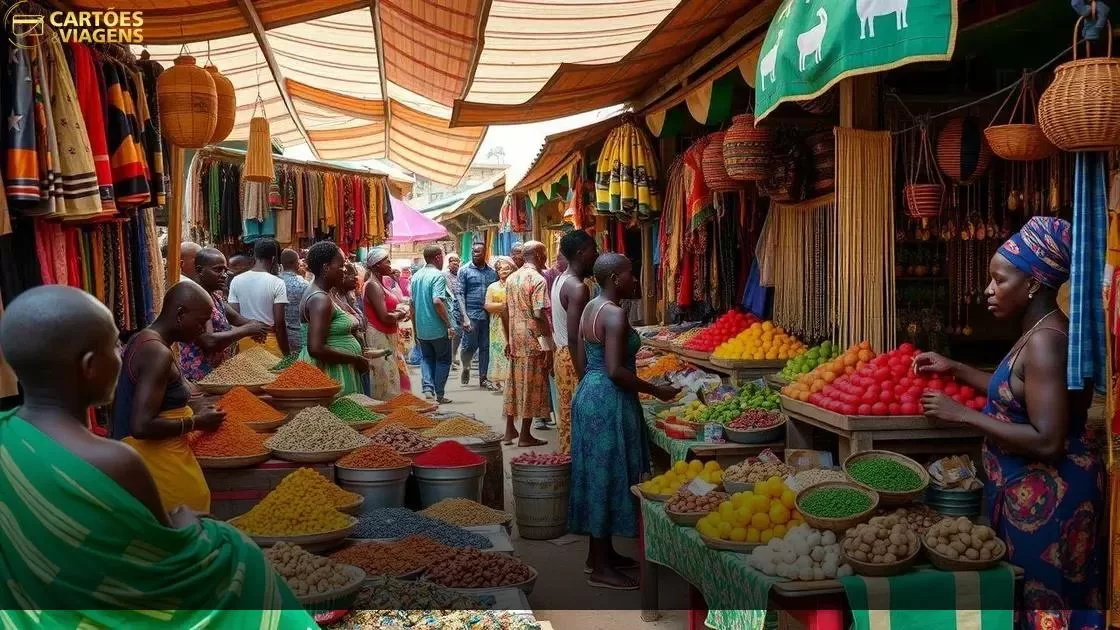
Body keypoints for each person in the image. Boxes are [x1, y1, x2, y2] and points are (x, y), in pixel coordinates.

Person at [0, 285, 313, 626]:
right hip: (98, 611)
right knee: (241, 554)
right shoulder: (116, 461)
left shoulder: (8, 438)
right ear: (89, 366)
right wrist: (191, 524)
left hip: (34, 610)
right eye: (115, 346)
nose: (122, 355)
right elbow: (165, 555)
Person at [917, 217, 1102, 629]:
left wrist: (963, 414)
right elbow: (1015, 394)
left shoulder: (1045, 342)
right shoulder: (1038, 330)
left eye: (999, 280)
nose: (989, 289)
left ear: (1033, 283)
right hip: (1033, 501)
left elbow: (1048, 440)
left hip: (1051, 506)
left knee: (1046, 610)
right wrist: (956, 368)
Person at [569, 253, 679, 590]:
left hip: (590, 392)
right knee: (607, 475)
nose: (636, 279)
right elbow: (616, 370)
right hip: (609, 399)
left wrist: (594, 384)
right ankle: (602, 569)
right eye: (632, 273)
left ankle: (598, 555)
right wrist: (656, 390)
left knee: (596, 473)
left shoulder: (592, 307)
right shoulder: (614, 314)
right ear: (615, 278)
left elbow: (583, 356)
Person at [112, 282, 226, 513]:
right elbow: (141, 426)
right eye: (200, 321)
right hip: (153, 462)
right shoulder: (156, 352)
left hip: (155, 456)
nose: (203, 329)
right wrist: (197, 422)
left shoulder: (145, 338)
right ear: (180, 314)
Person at [178, 248, 270, 381]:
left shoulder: (214, 296)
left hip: (217, 375)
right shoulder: (195, 298)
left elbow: (237, 319)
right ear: (199, 270)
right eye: (217, 270)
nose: (224, 275)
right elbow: (208, 341)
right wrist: (247, 330)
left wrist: (259, 328)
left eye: (225, 270)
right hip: (202, 378)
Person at [299, 241, 369, 396]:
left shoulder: (325, 294)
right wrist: (356, 359)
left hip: (336, 369)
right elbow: (316, 348)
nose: (344, 270)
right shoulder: (320, 299)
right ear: (326, 267)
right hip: (331, 373)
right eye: (341, 265)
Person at [501, 241, 552, 447]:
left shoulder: (512, 278)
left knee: (514, 383)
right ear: (539, 255)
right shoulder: (538, 279)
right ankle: (524, 435)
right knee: (532, 386)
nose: (545, 258)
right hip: (533, 340)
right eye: (544, 254)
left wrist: (508, 338)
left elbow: (504, 310)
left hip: (515, 338)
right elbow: (539, 313)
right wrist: (548, 342)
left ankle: (509, 430)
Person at [552, 230, 598, 454]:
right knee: (578, 421)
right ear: (580, 253)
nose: (596, 255)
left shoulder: (561, 279)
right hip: (573, 358)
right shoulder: (578, 288)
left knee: (568, 419)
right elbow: (574, 337)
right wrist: (584, 376)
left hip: (563, 355)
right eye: (593, 250)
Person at [229, 238, 290, 356]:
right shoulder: (277, 283)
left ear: (254, 256)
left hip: (245, 340)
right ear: (274, 259)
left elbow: (234, 317)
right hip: (269, 341)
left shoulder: (236, 280)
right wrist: (287, 354)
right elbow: (279, 323)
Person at [410, 245, 456, 404]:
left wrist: (415, 329)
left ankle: (428, 388)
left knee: (427, 358)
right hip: (437, 328)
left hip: (422, 328)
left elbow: (411, 306)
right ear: (437, 257)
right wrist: (449, 324)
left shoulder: (416, 276)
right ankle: (440, 394)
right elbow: (437, 301)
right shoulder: (438, 276)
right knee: (443, 360)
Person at [364, 247, 410, 399]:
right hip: (378, 335)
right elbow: (384, 317)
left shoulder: (381, 283)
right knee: (383, 376)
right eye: (387, 262)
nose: (390, 265)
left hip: (388, 334)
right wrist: (401, 314)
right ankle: (383, 408)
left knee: (390, 375)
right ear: (377, 264)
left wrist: (398, 313)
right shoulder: (372, 285)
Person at [458, 242, 499, 390]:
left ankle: (483, 378)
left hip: (487, 316)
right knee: (469, 346)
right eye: (473, 252)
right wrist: (464, 317)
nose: (475, 254)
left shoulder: (492, 272)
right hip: (471, 315)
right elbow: (459, 294)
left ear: (484, 253)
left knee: (485, 347)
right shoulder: (464, 271)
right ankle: (466, 366)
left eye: (478, 252)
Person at [485, 257, 513, 390]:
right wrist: (503, 307)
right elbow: (487, 305)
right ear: (497, 271)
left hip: (512, 321)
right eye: (501, 269)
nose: (504, 271)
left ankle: (510, 378)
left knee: (510, 347)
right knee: (498, 349)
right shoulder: (492, 287)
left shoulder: (513, 284)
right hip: (497, 324)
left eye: (507, 268)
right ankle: (499, 379)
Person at [280, 248, 310, 354]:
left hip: (281, 337)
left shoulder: (274, 282)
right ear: (296, 263)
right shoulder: (304, 284)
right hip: (300, 336)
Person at [444, 253, 465, 369]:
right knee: (453, 332)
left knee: (459, 334)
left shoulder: (461, 274)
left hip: (461, 308)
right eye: (453, 262)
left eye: (457, 262)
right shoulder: (444, 275)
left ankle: (453, 355)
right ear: (449, 263)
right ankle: (450, 359)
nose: (455, 264)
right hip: (450, 307)